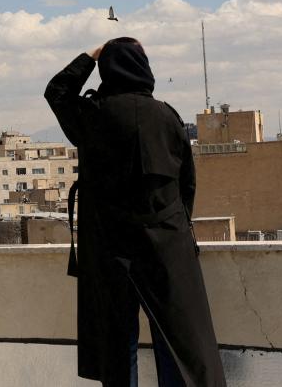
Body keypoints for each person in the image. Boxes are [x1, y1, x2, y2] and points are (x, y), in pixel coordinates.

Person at [44, 37, 226, 387]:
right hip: (166, 245)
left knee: (117, 343)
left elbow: (58, 91)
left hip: (111, 248)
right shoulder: (168, 117)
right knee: (175, 340)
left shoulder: (93, 114)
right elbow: (186, 183)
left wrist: (91, 56)